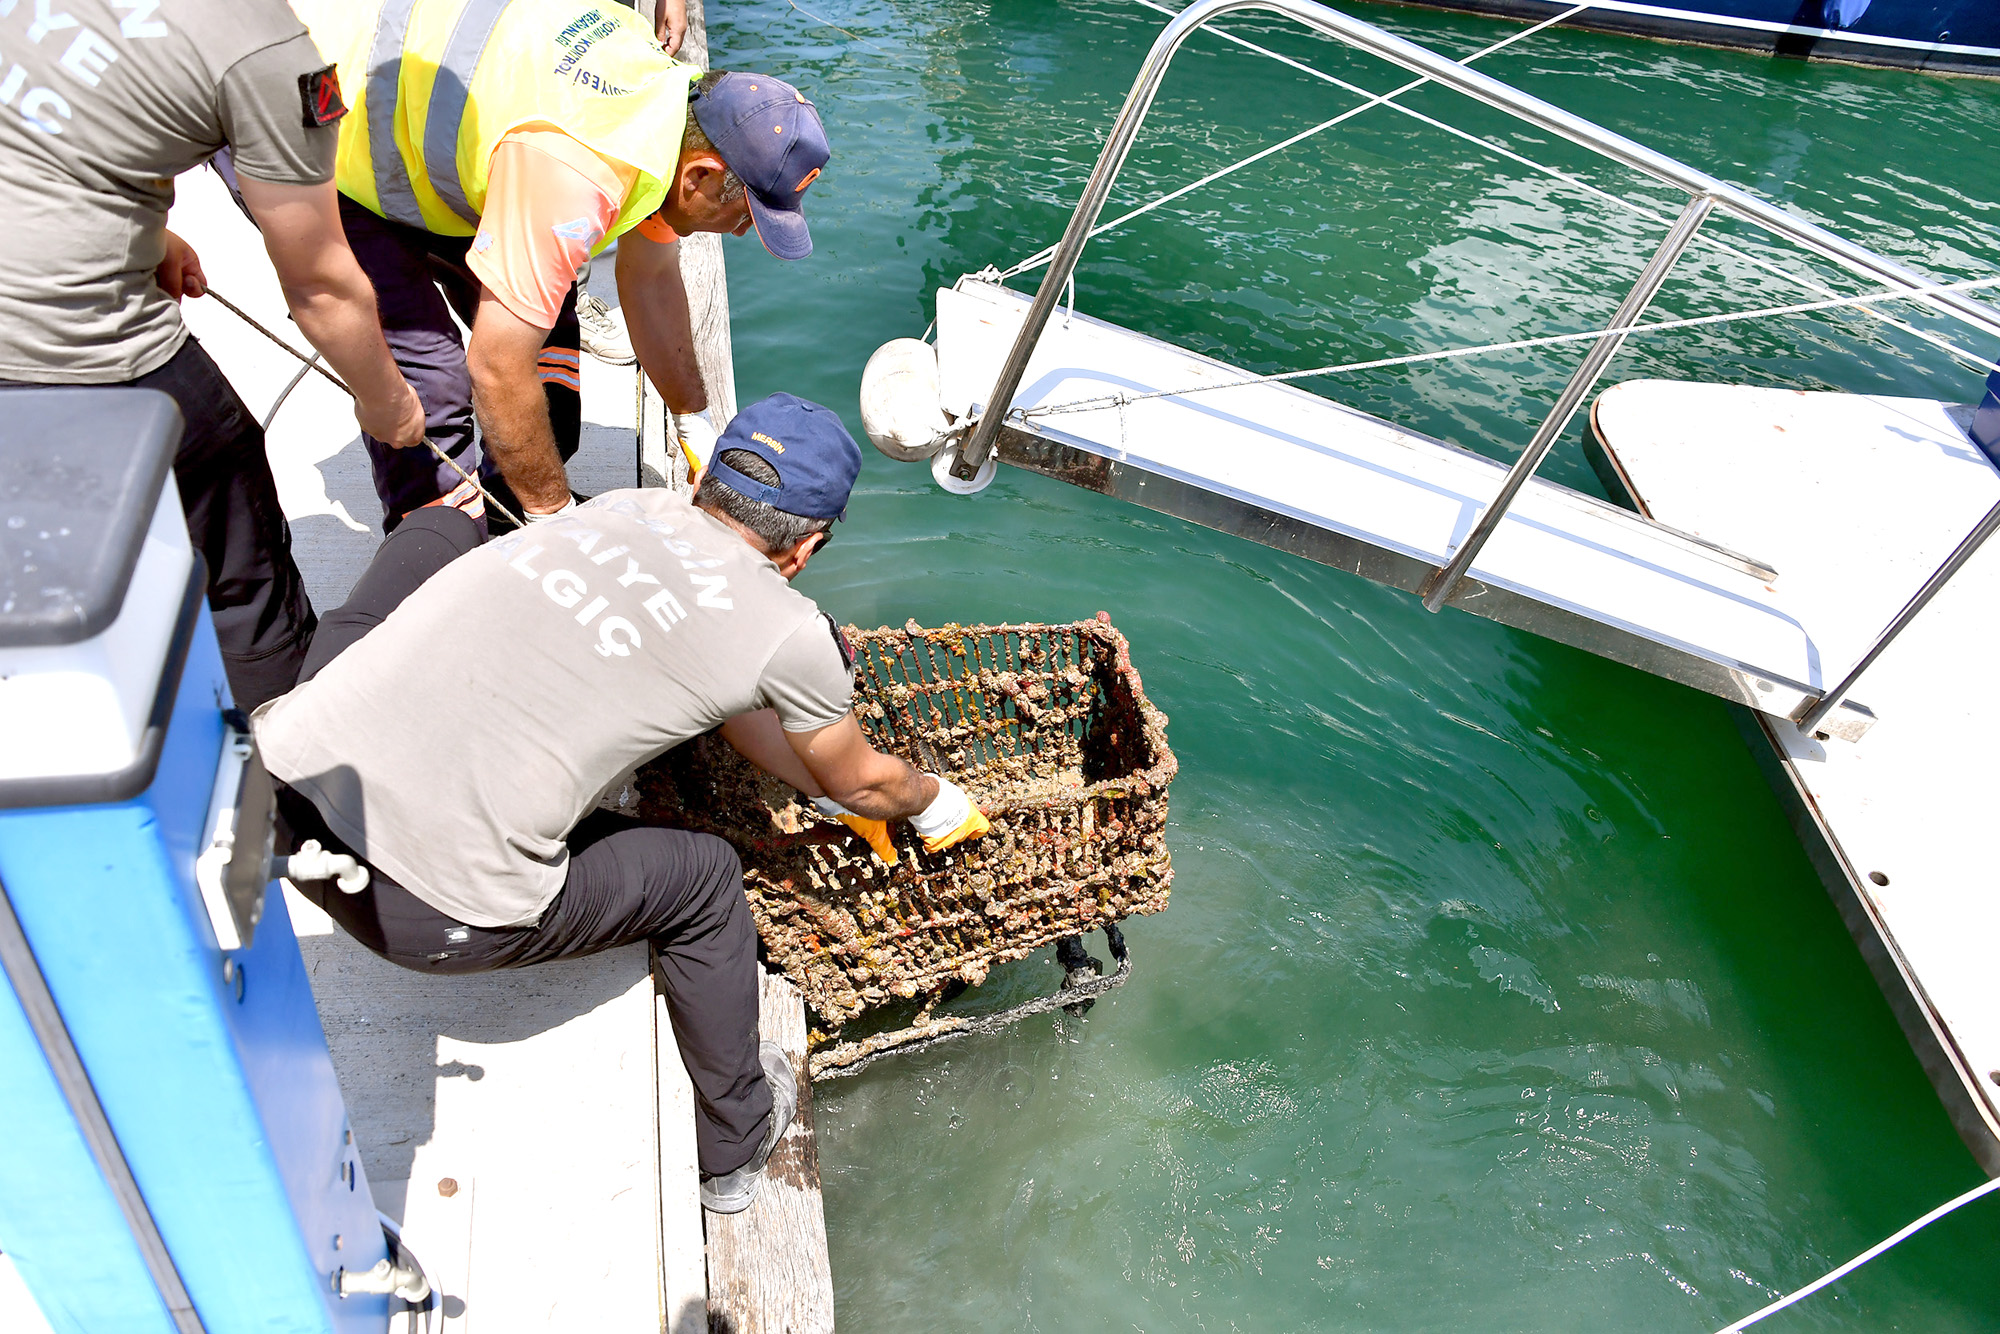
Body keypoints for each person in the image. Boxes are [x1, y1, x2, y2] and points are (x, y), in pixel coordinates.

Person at [251, 394, 988, 1211]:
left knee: (440, 529)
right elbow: (860, 783)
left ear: (705, 482)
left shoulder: (629, 505)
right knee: (704, 882)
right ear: (807, 546)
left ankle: (381, 594)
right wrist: (930, 799)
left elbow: (735, 708)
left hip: (283, 799)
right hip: (427, 912)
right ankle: (737, 1140)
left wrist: (819, 778)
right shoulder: (791, 632)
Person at [0, 0, 425, 709]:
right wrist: (388, 401)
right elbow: (321, 283)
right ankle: (280, 751)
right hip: (67, 347)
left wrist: (149, 236)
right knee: (237, 557)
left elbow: (52, 125)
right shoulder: (266, 53)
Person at [292, 0, 831, 531]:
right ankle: (438, 544)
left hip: (442, 127)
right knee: (430, 388)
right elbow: (497, 367)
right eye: (746, 214)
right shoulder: (576, 175)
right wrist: (556, 522)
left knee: (548, 360)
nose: (741, 231)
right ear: (701, 177)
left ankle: (506, 509)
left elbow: (650, 277)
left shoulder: (674, 110)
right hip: (318, 128)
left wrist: (694, 419)